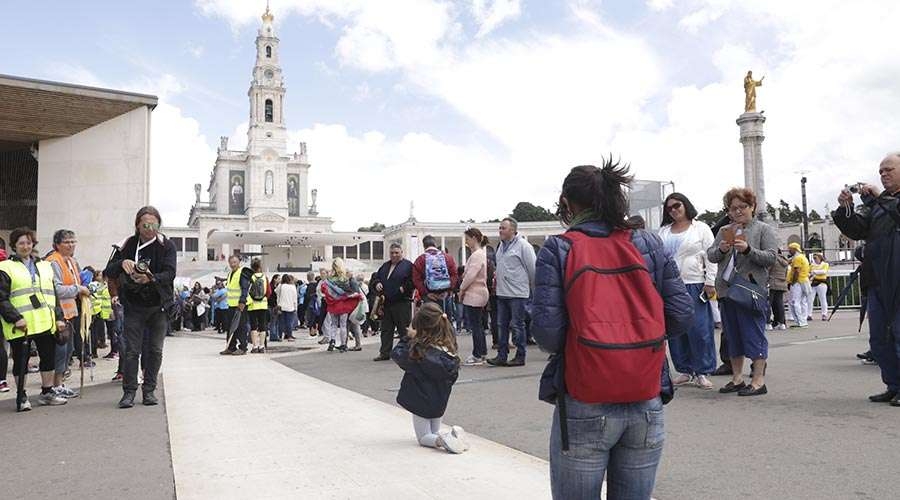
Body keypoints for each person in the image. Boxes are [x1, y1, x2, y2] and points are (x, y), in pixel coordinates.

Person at [532, 163, 692, 499]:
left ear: (567, 202)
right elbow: (681, 315)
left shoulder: (559, 248)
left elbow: (548, 334)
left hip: (584, 397)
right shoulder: (648, 242)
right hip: (645, 394)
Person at [832, 152, 900, 406]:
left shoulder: (885, 202)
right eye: (881, 171)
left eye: (889, 169)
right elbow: (857, 229)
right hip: (877, 279)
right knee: (879, 339)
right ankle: (894, 384)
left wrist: (879, 198)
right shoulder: (876, 205)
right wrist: (845, 209)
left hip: (897, 278)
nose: (883, 174)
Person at [707, 188, 778, 397]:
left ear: (752, 207)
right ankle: (737, 378)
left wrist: (748, 250)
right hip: (727, 290)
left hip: (751, 290)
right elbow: (711, 255)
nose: (738, 211)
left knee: (754, 334)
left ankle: (758, 380)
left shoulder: (764, 229)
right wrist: (721, 249)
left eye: (742, 207)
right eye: (733, 208)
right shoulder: (724, 230)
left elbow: (771, 258)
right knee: (732, 335)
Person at [105, 206, 177, 408]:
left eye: (154, 224)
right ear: (137, 225)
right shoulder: (127, 244)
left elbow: (170, 273)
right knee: (131, 350)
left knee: (155, 350)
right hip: (134, 305)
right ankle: (129, 392)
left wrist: (150, 278)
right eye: (145, 225)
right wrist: (122, 263)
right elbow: (108, 271)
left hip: (158, 305)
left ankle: (149, 390)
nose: (150, 228)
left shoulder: (167, 245)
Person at [0, 228, 70, 411]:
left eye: (29, 243)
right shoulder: (5, 267)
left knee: (48, 357)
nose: (26, 246)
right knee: (20, 360)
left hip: (45, 321)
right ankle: (21, 395)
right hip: (20, 324)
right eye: (21, 243)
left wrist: (59, 317)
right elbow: (1, 297)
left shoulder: (44, 266)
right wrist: (15, 318)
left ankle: (47, 392)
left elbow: (52, 294)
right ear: (14, 245)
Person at [658, 193, 718, 390]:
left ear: (685, 205)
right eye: (669, 208)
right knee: (676, 330)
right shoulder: (664, 231)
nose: (674, 210)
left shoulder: (701, 228)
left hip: (695, 283)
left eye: (677, 205)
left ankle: (702, 371)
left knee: (700, 329)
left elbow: (711, 256)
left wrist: (710, 281)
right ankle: (685, 370)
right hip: (670, 286)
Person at [391, 302, 469, 454]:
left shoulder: (418, 351)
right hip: (440, 401)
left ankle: (445, 439)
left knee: (424, 437)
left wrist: (408, 338)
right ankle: (451, 436)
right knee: (434, 431)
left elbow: (397, 354)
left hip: (420, 401)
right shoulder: (449, 351)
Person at [44, 229, 90, 398]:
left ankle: (60, 383)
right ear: (57, 245)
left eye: (73, 241)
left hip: (70, 312)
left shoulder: (72, 261)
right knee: (60, 350)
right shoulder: (53, 262)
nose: (71, 245)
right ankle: (55, 385)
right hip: (58, 313)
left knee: (67, 350)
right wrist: (78, 289)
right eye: (66, 242)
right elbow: (56, 289)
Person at [486, 217, 536, 367]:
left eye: (503, 228)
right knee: (501, 325)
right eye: (500, 228)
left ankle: (520, 356)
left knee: (517, 325)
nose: (500, 230)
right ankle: (502, 355)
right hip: (502, 293)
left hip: (517, 294)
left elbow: (532, 269)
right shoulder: (501, 246)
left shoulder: (524, 246)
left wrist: (532, 288)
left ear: (513, 230)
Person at [371, 243, 414, 361]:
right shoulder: (385, 266)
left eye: (396, 253)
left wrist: (403, 289)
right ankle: (385, 353)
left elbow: (412, 281)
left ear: (401, 253)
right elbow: (376, 278)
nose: (394, 255)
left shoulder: (408, 266)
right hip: (386, 303)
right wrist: (377, 283)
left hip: (402, 302)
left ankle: (407, 354)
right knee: (386, 330)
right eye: (392, 253)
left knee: (404, 330)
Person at [459, 228, 490, 366]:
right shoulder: (480, 254)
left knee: (475, 325)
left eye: (467, 239)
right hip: (479, 292)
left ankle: (477, 354)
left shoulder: (477, 255)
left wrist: (461, 289)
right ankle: (481, 353)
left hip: (474, 293)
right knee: (478, 325)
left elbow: (471, 275)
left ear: (474, 238)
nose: (466, 242)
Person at [321, 259, 362, 352]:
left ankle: (332, 341)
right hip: (343, 304)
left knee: (333, 324)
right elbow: (349, 292)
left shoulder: (329, 279)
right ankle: (343, 344)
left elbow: (324, 290)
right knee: (343, 325)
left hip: (332, 304)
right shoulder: (345, 279)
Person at [412, 235, 459, 311]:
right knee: (445, 317)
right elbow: (454, 274)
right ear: (435, 244)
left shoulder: (420, 259)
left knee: (430, 317)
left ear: (424, 246)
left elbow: (416, 279)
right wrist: (448, 291)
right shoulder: (448, 257)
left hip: (429, 296)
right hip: (445, 296)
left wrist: (426, 293)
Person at [786, 242, 813, 328]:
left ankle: (800, 322)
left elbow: (796, 272)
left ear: (794, 249)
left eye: (790, 249)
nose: (789, 251)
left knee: (795, 302)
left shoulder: (797, 258)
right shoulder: (803, 257)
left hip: (797, 282)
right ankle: (803, 321)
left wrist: (793, 282)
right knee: (802, 301)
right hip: (804, 281)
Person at [246, 259, 269, 353]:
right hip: (263, 304)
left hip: (252, 305)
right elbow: (268, 292)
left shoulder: (250, 277)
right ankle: (262, 346)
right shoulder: (265, 277)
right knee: (263, 325)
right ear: (260, 267)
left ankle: (255, 346)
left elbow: (247, 290)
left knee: (253, 326)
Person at [767, 249, 789, 331]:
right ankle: (782, 323)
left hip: (772, 283)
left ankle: (768, 323)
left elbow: (767, 271)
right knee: (780, 304)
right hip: (782, 283)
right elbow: (786, 273)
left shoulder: (773, 260)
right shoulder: (784, 261)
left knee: (768, 304)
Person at [277, 274, 298, 341]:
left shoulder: (280, 286)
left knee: (281, 322)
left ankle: (280, 336)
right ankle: (289, 336)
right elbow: (295, 298)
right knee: (289, 322)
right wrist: (295, 307)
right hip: (290, 306)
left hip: (281, 306)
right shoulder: (292, 287)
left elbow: (276, 292)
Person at [810, 253, 830, 320]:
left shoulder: (825, 264)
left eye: (815, 258)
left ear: (820, 258)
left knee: (822, 299)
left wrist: (814, 272)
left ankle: (824, 314)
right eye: (814, 258)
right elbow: (809, 272)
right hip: (813, 282)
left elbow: (824, 271)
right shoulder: (812, 265)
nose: (814, 259)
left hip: (822, 282)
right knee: (810, 299)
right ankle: (809, 314)